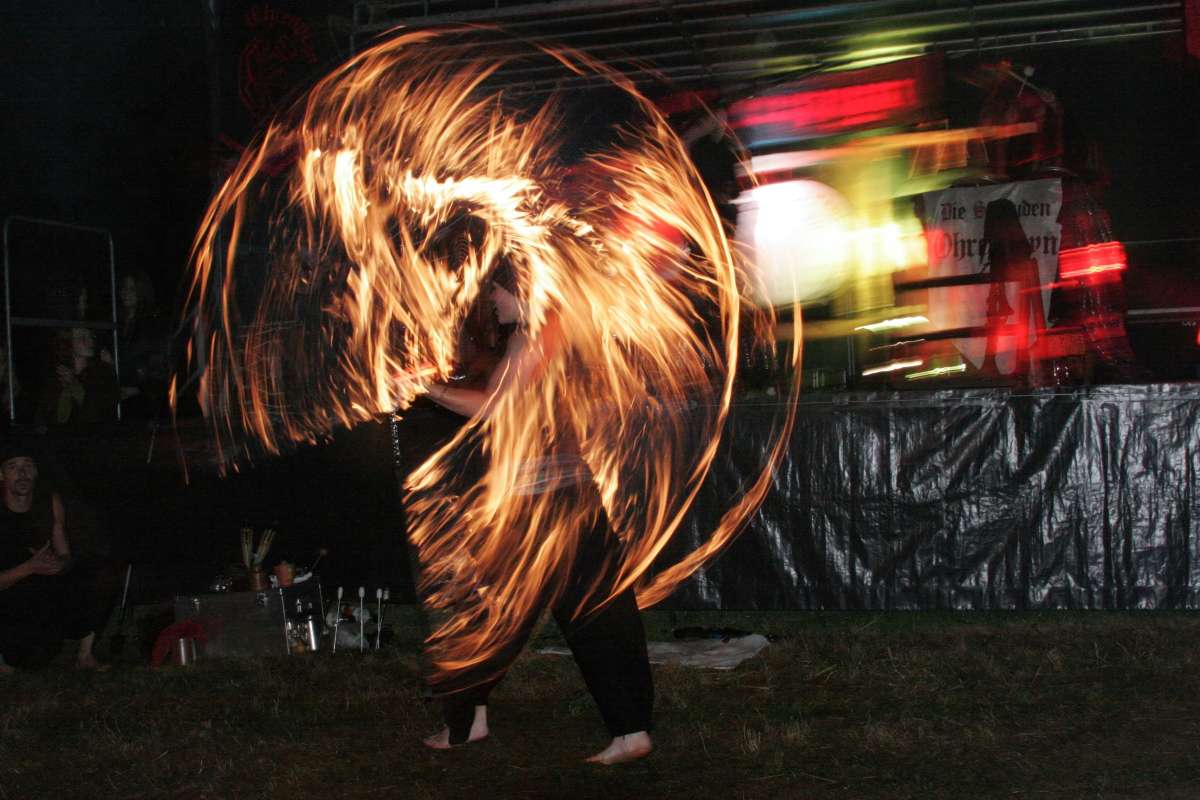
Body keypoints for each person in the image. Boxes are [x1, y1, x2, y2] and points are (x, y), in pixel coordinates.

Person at [414, 266, 655, 765]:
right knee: (596, 612)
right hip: (565, 495)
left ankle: (467, 721)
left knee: (495, 616)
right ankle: (630, 730)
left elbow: (494, 409)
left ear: (524, 289)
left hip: (542, 504)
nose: (493, 299)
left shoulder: (541, 334)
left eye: (499, 289)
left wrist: (425, 387)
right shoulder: (554, 329)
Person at [0, 440, 105, 670]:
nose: (22, 473)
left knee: (90, 575)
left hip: (40, 582)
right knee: (30, 657)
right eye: (13, 467)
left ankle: (85, 655)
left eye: (27, 465)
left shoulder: (49, 502)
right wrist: (29, 567)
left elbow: (64, 553)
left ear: (36, 472)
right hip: (9, 591)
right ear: (3, 476)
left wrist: (60, 564)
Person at [34, 327, 120, 427]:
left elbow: (102, 412)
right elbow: (43, 417)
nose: (90, 341)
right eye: (82, 337)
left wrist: (74, 385)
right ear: (68, 343)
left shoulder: (102, 374)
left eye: (91, 336)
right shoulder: (57, 375)